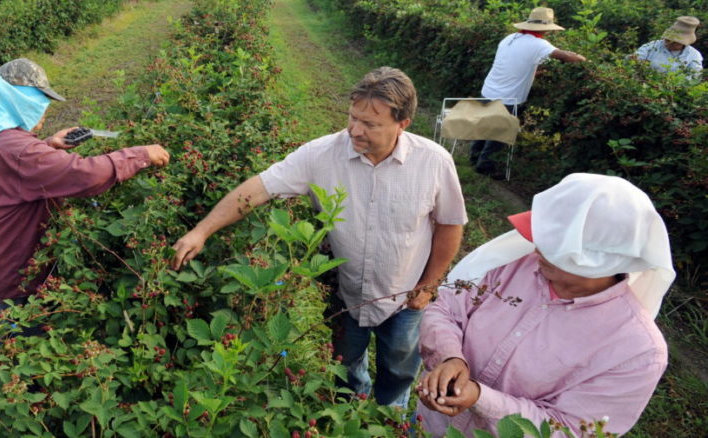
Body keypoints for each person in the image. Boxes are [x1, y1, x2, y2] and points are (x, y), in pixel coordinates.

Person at [170, 67, 467, 408]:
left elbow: (449, 224)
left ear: (403, 123)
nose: (355, 130)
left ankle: (389, 413)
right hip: (347, 293)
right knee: (345, 361)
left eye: (370, 124)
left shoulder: (433, 162)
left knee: (399, 366)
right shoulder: (321, 155)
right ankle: (351, 405)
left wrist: (429, 284)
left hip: (406, 295)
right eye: (352, 117)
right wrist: (202, 230)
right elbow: (260, 187)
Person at [415, 173, 675, 437]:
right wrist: (449, 357)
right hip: (426, 426)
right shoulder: (512, 266)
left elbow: (570, 429)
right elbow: (447, 308)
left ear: (598, 262)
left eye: (553, 245)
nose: (537, 248)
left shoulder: (636, 352)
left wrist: (480, 399)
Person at [0, 58, 170, 330]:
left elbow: (15, 168)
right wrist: (140, 155)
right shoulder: (15, 150)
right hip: (7, 272)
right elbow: (85, 175)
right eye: (40, 104)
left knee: (8, 341)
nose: (44, 112)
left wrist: (48, 145)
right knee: (19, 352)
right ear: (20, 102)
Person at [470, 7, 586, 179]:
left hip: (489, 89)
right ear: (546, 28)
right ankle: (485, 166)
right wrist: (584, 60)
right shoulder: (539, 44)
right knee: (499, 134)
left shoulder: (510, 38)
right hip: (507, 96)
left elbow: (514, 64)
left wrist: (534, 73)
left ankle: (474, 157)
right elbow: (569, 57)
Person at [634, 16, 703, 80]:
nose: (669, 43)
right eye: (667, 40)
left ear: (684, 43)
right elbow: (636, 59)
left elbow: (694, 76)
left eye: (675, 43)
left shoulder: (694, 56)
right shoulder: (652, 46)